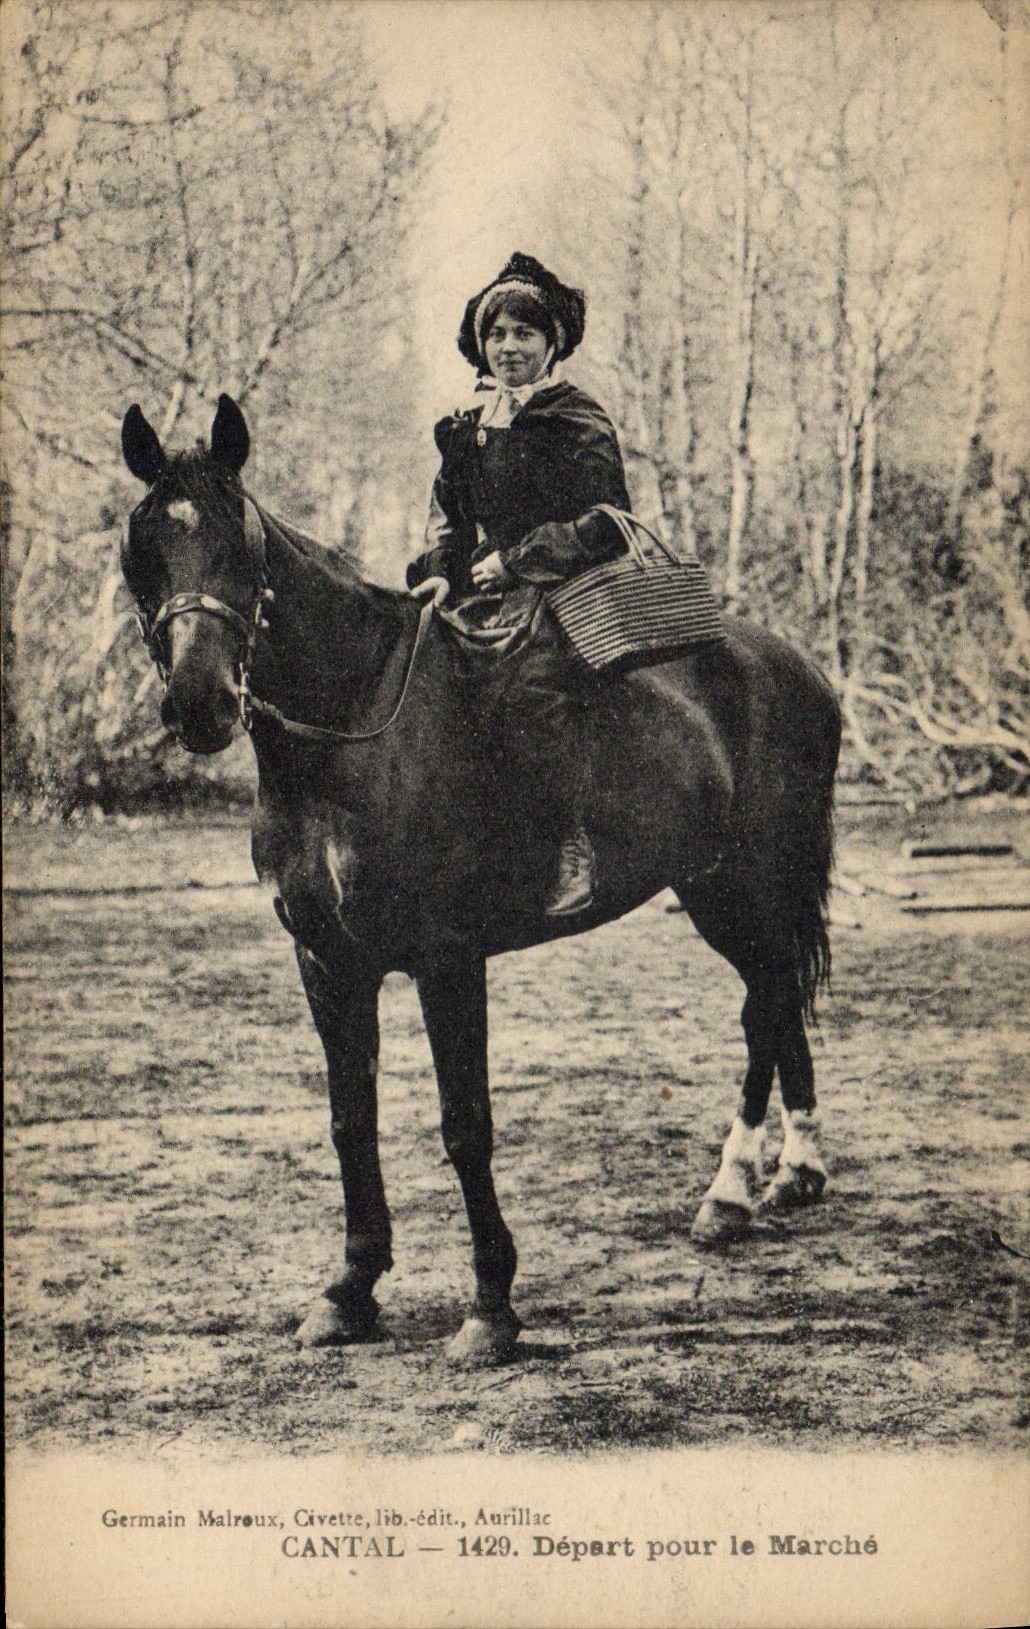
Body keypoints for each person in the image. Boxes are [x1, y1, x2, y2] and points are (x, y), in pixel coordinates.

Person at [407, 253, 631, 916]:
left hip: (565, 586)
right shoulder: (468, 424)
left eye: (524, 334)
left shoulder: (575, 417)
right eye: (497, 334)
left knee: (531, 689)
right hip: (482, 589)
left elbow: (609, 520)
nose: (509, 347)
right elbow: (448, 516)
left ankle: (570, 844)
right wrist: (440, 574)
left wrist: (519, 560)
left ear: (551, 344)